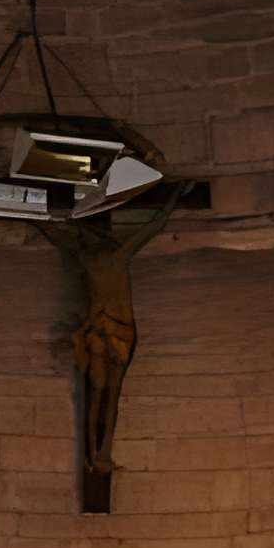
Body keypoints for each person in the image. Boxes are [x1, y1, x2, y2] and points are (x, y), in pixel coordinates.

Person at [49, 186, 183, 510]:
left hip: (106, 332)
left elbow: (56, 235)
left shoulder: (92, 256)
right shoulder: (117, 254)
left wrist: (38, 216)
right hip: (113, 332)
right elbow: (155, 225)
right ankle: (99, 453)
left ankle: (98, 453)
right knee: (106, 394)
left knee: (100, 393)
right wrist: (174, 197)